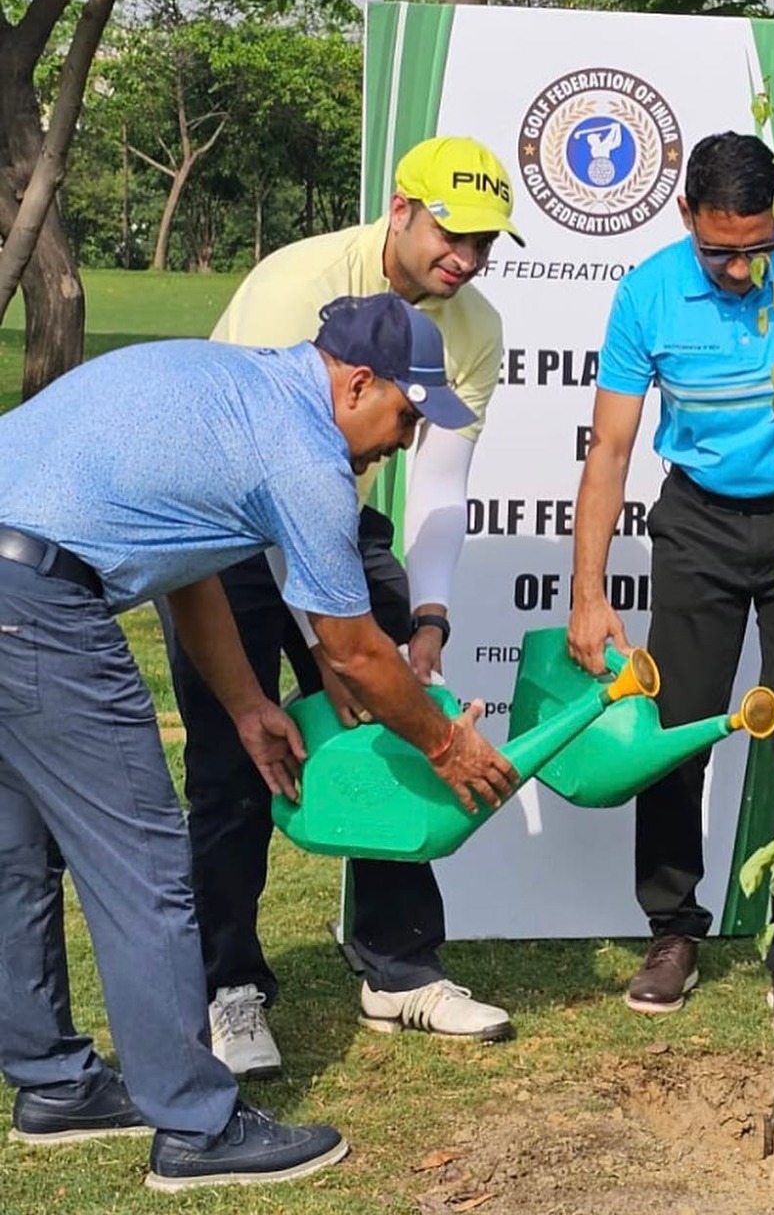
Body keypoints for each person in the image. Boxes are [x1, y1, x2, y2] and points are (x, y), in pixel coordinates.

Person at [0, 293, 515, 1188]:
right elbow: (353, 650)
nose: (405, 442)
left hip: (19, 572)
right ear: (357, 383)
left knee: (14, 849)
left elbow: (185, 562)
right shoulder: (304, 454)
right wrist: (448, 746)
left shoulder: (239, 391)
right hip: (39, 604)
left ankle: (54, 1083)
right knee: (147, 862)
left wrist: (245, 704)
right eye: (407, 415)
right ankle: (196, 1127)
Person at [163, 136, 524, 1077]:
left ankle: (399, 966)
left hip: (342, 517)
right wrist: (332, 640)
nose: (470, 259)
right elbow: (257, 459)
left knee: (403, 716)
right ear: (400, 207)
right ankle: (229, 989)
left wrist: (429, 623)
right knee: (235, 750)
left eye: (488, 243)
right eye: (456, 233)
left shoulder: (473, 329)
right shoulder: (297, 283)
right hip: (231, 524)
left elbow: (440, 481)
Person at [566, 130, 774, 1038]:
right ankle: (672, 932)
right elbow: (613, 451)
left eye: (757, 248)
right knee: (679, 732)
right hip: (699, 522)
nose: (742, 271)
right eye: (720, 252)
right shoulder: (649, 294)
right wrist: (588, 591)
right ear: (684, 220)